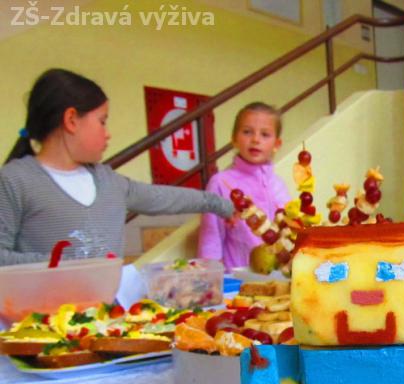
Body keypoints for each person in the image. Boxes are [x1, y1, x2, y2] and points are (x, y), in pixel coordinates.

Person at [0, 68, 233, 266]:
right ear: (71, 120)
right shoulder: (15, 181)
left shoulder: (107, 180)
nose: (108, 133)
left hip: (104, 307)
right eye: (102, 121)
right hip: (43, 308)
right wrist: (62, 266)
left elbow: (162, 197)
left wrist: (220, 204)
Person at [198, 102, 290, 271]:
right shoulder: (220, 183)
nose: (255, 140)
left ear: (276, 144)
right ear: (234, 139)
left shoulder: (279, 185)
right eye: (247, 132)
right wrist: (213, 276)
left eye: (265, 134)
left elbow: (289, 231)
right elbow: (211, 238)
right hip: (237, 277)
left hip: (277, 276)